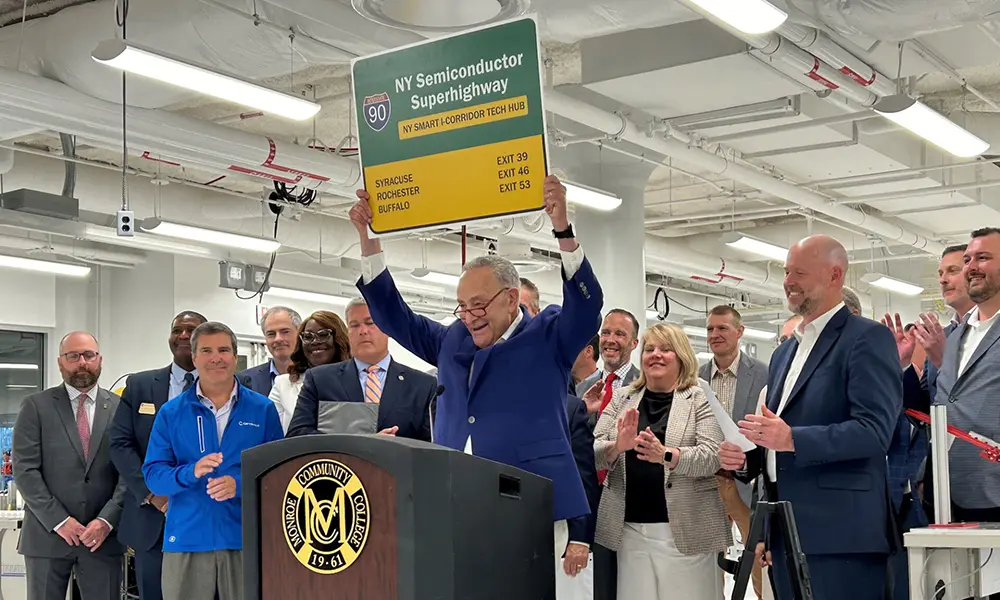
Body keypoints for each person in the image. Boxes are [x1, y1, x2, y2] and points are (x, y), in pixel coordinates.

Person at [348, 175, 602, 589]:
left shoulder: (549, 335)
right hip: (458, 502)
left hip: (533, 504)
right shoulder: (453, 339)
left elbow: (587, 307)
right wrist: (367, 237)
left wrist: (563, 230)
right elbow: (395, 317)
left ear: (511, 297)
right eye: (462, 306)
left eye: (478, 305)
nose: (469, 316)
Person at [719, 235, 901, 600]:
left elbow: (874, 431)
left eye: (799, 272)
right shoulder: (785, 352)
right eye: (787, 272)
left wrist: (792, 439)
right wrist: (747, 458)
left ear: (835, 275)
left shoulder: (867, 339)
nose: (788, 281)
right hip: (785, 533)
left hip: (842, 537)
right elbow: (777, 444)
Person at [143, 322, 283, 600]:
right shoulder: (171, 412)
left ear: (234, 356)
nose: (215, 357)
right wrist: (190, 472)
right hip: (187, 540)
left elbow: (278, 473)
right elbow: (153, 475)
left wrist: (239, 484)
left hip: (244, 539)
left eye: (223, 350)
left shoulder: (263, 409)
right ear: (194, 358)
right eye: (206, 350)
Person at [591, 323, 729, 600]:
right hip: (629, 530)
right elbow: (592, 451)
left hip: (686, 530)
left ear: (681, 357)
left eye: (666, 349)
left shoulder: (699, 397)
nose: (656, 355)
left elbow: (713, 454)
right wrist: (618, 446)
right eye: (649, 349)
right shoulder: (624, 396)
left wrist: (666, 454)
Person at [13, 331, 126, 600]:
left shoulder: (122, 408)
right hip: (47, 535)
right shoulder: (35, 407)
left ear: (99, 359)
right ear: (60, 362)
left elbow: (128, 472)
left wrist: (106, 520)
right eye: (73, 356)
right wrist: (61, 521)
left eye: (88, 355)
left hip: (102, 538)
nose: (82, 362)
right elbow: (25, 470)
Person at [109, 310, 207, 600]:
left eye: (192, 330)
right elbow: (121, 444)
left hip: (206, 515)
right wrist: (153, 492)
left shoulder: (229, 387)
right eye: (178, 329)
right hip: (152, 518)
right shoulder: (139, 386)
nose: (184, 336)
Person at [287, 299, 436, 440]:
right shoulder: (320, 380)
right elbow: (297, 435)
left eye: (370, 323)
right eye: (354, 325)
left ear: (388, 328)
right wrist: (362, 443)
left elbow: (432, 445)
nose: (363, 331)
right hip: (338, 466)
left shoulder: (422, 386)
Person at [698, 305, 767, 599]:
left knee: (756, 556)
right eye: (710, 329)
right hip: (706, 480)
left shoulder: (764, 373)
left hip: (747, 482)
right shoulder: (695, 376)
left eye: (722, 328)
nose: (715, 335)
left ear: (739, 332)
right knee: (706, 563)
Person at [268, 310, 351, 433]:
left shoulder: (357, 380)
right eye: (308, 337)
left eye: (323, 334)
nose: (315, 341)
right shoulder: (283, 384)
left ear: (339, 338)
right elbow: (271, 434)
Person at [239, 306, 301, 396]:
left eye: (285, 331)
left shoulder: (317, 377)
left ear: (299, 334)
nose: (278, 339)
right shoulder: (245, 381)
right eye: (271, 334)